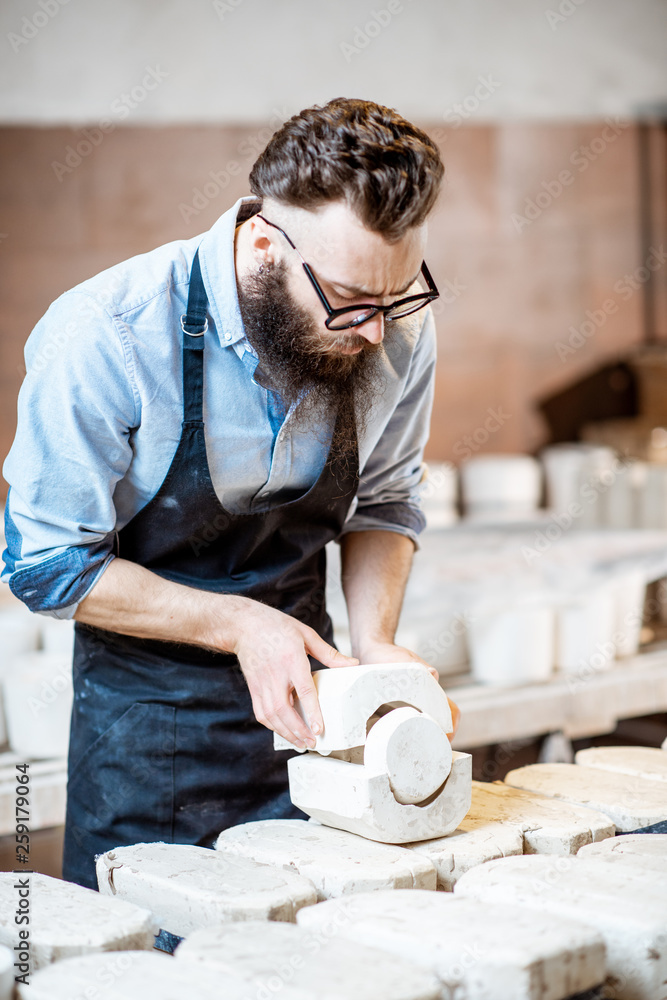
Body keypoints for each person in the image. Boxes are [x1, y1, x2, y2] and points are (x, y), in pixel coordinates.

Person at [2, 97, 457, 890]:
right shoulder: (108, 332)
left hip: (313, 725)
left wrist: (375, 641)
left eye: (398, 297)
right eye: (350, 299)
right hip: (146, 740)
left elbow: (384, 500)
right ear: (261, 245)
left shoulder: (390, 324)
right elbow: (45, 565)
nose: (377, 331)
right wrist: (243, 624)